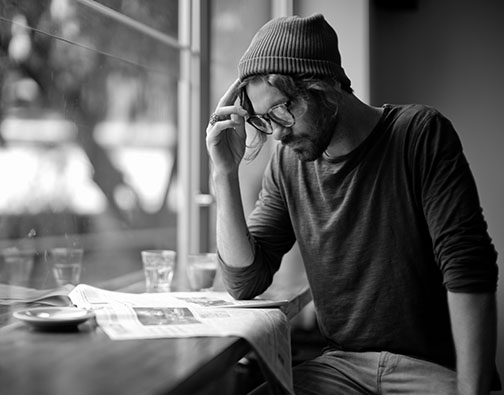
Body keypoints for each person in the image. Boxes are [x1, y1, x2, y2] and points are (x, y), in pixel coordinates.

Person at [205, 13, 499, 395]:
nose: (277, 133)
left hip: (428, 369)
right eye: (264, 119)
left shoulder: (419, 134)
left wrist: (470, 391)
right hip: (341, 368)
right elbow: (245, 282)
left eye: (281, 110)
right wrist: (224, 175)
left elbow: (467, 266)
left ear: (324, 88)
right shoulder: (288, 163)